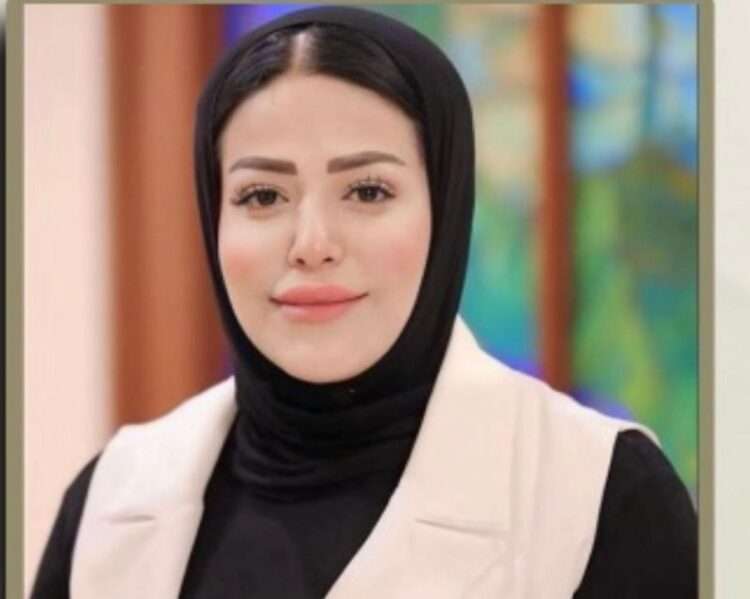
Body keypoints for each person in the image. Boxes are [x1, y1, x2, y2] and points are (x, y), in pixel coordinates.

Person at [31, 6, 696, 599]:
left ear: (445, 208)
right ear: (213, 218)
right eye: (263, 196)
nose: (311, 245)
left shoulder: (603, 495)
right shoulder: (110, 502)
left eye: (368, 191)